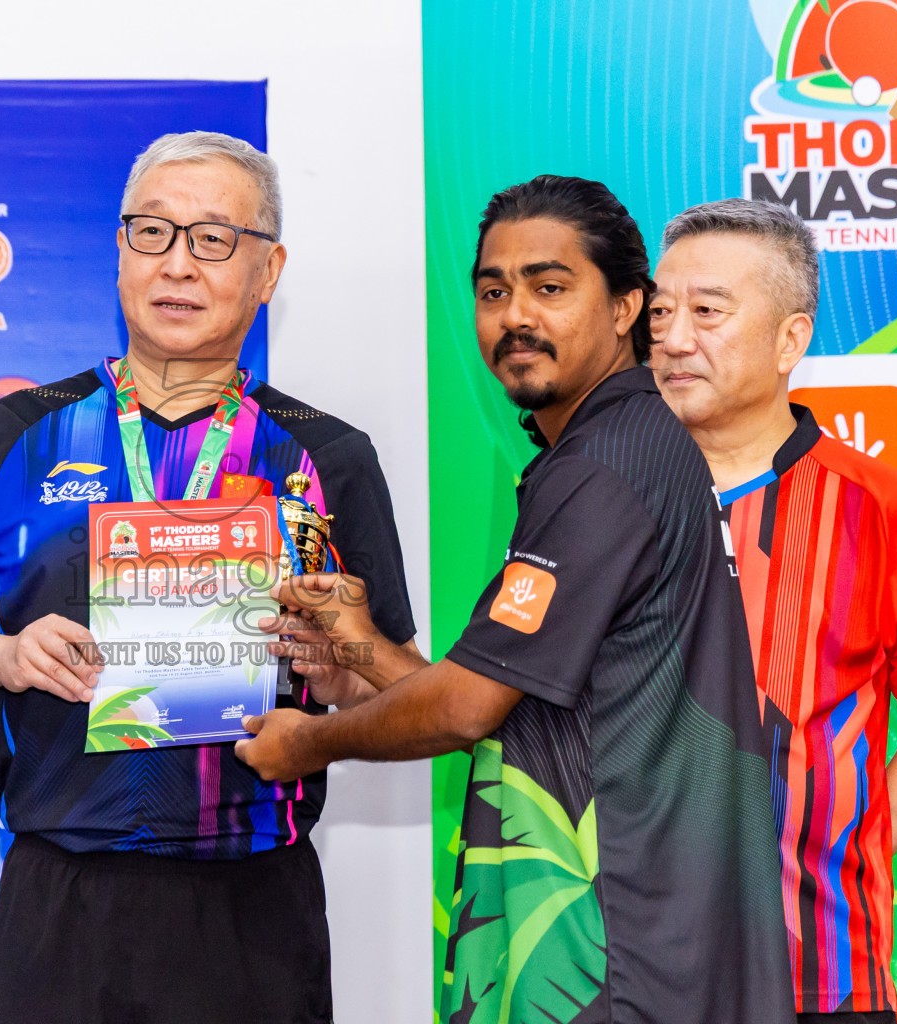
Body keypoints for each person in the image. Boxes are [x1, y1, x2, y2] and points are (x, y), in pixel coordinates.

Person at [0, 130, 415, 1024]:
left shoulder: (326, 454)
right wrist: (4, 657)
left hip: (253, 910)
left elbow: (391, 685)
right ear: (120, 252)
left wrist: (340, 669)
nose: (179, 265)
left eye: (213, 239)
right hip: (61, 903)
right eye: (151, 233)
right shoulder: (16, 432)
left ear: (268, 270)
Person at [236, 174, 795, 1023]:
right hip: (632, 941)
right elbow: (516, 703)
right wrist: (362, 650)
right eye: (493, 292)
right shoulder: (613, 449)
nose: (515, 316)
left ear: (626, 310)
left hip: (617, 950)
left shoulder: (606, 466)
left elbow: (465, 708)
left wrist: (306, 743)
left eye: (550, 287)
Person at [647, 198, 897, 1024]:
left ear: (791, 339)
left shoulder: (882, 507)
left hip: (822, 977)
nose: (675, 337)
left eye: (708, 312)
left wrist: (831, 862)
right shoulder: (602, 502)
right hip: (629, 979)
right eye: (660, 311)